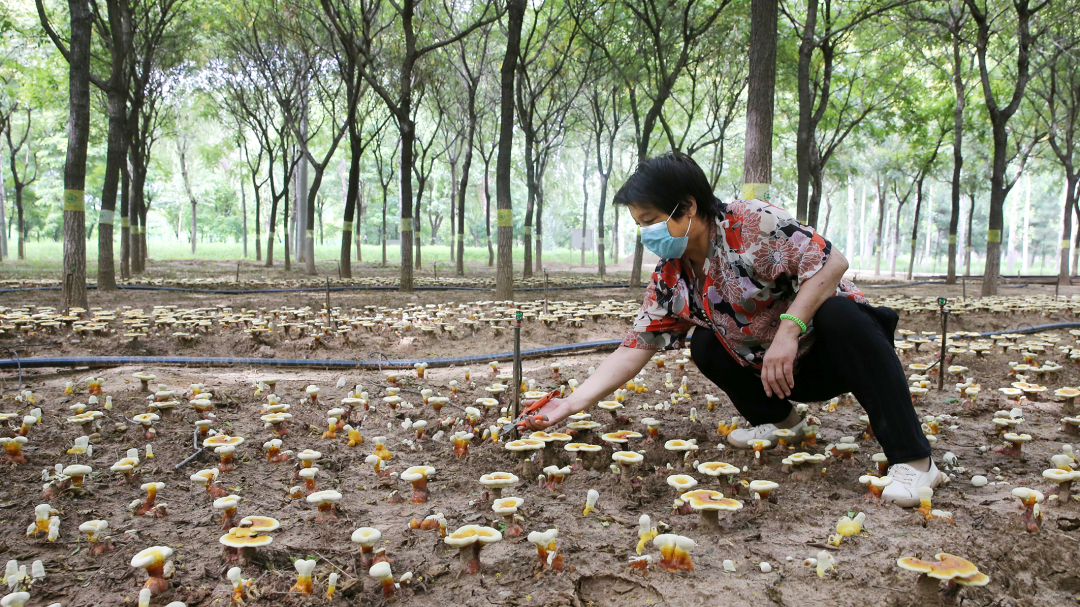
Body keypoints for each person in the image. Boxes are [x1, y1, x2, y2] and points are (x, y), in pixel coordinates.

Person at [524, 153, 940, 507]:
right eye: (638, 224)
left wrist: (789, 329)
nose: (645, 234)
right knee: (704, 344)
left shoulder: (754, 223)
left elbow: (833, 263)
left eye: (650, 220)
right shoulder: (673, 275)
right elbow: (635, 346)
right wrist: (570, 404)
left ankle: (916, 462)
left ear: (687, 207)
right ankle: (781, 422)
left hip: (840, 353)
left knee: (840, 314)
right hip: (777, 375)